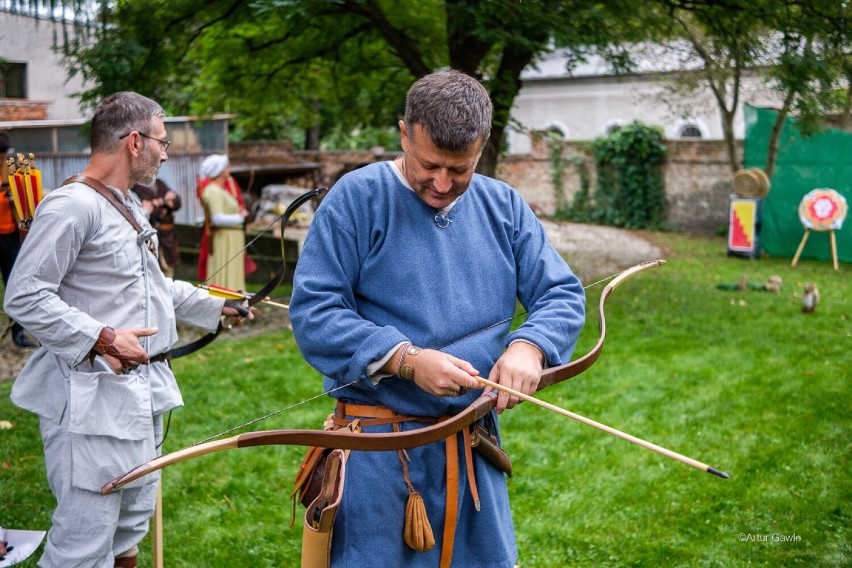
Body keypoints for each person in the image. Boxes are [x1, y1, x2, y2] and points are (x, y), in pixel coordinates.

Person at [288, 70, 586, 567]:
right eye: (428, 165)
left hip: (472, 451)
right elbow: (316, 315)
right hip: (380, 457)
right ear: (404, 133)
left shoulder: (502, 204)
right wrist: (405, 361)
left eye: (459, 168)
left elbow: (561, 292)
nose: (442, 183)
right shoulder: (356, 199)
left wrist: (528, 347)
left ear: (482, 147)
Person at [3, 91, 253, 568]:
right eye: (162, 141)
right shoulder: (72, 206)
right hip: (88, 405)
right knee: (83, 543)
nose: (166, 152)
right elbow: (25, 296)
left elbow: (157, 290)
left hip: (140, 399)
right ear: (134, 142)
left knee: (128, 532)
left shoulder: (127, 205)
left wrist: (222, 307)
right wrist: (102, 337)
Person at [0, 131, 37, 348]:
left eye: (4, 157)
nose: (2, 161)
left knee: (14, 284)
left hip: (11, 236)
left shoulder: (14, 169)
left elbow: (26, 202)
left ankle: (18, 333)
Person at [198, 154, 250, 290]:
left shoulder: (220, 190)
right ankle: (226, 304)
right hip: (225, 238)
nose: (229, 170)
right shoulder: (213, 191)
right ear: (219, 170)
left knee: (233, 271)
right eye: (226, 167)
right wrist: (241, 217)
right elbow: (217, 218)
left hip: (231, 238)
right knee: (225, 270)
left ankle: (236, 301)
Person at [130, 178, 182, 277]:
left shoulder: (160, 183)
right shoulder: (136, 187)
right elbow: (145, 210)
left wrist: (158, 202)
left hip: (167, 237)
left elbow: (177, 201)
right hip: (150, 234)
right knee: (151, 270)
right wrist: (165, 202)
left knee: (167, 268)